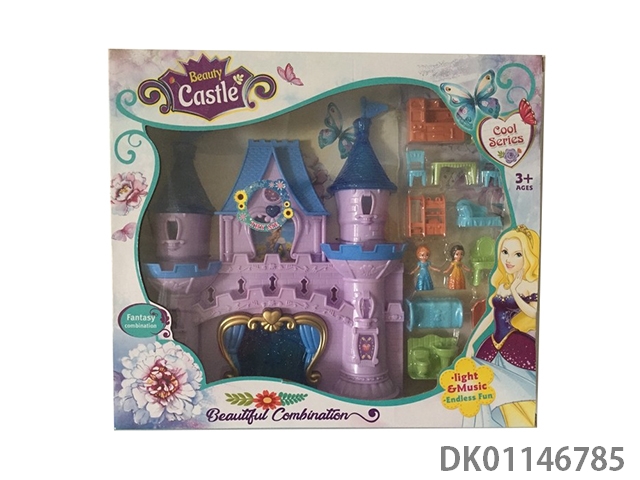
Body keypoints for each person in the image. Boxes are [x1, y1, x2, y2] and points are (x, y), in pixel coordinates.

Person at [464, 225, 540, 427]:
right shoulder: (502, 285)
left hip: (516, 344)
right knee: (488, 389)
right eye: (505, 252)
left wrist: (515, 290)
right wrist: (471, 342)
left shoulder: (530, 285)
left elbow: (535, 313)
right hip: (493, 344)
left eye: (517, 254)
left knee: (518, 392)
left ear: (528, 257)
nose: (509, 259)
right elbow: (491, 316)